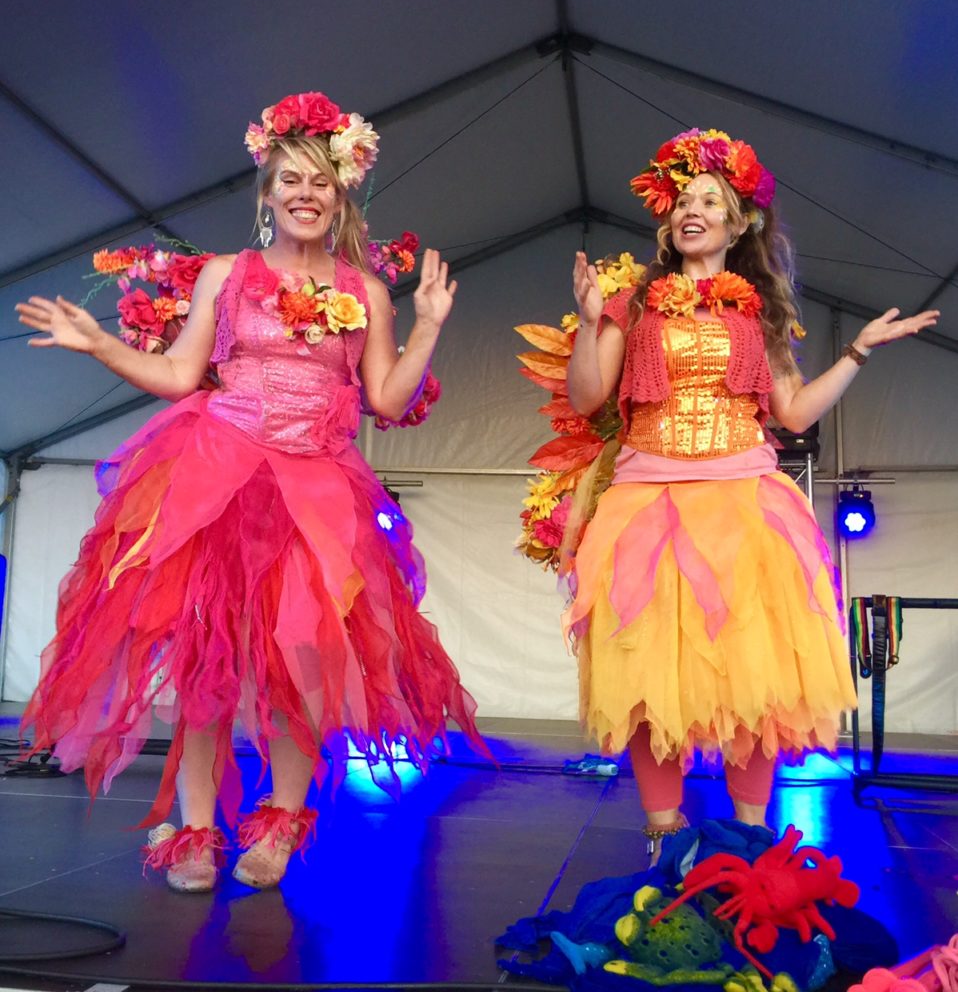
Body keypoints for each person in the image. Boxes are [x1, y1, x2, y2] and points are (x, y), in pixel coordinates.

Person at [16, 90, 486, 892]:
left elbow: (386, 400)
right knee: (211, 666)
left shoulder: (365, 291)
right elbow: (177, 374)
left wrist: (430, 325)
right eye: (290, 180)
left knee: (302, 665)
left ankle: (277, 824)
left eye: (321, 182)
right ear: (267, 193)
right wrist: (97, 345)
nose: (305, 194)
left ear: (342, 196)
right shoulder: (228, 277)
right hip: (224, 478)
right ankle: (196, 830)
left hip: (319, 488)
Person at [565, 128, 938, 859]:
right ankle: (664, 835)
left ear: (741, 225)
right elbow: (588, 397)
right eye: (681, 202)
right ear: (668, 224)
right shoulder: (632, 303)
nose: (690, 210)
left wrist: (858, 351)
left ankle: (749, 839)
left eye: (711, 200)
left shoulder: (759, 313)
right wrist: (586, 323)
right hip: (649, 503)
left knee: (751, 677)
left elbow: (793, 414)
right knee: (648, 676)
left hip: (744, 499)